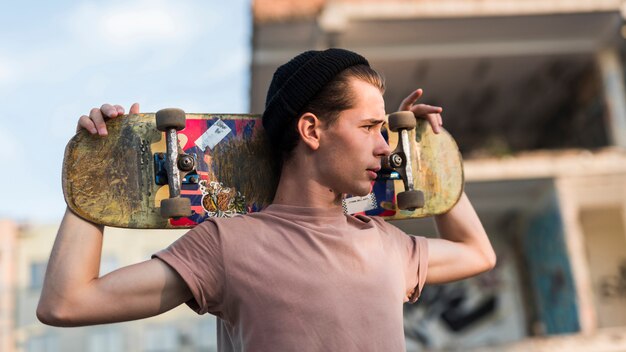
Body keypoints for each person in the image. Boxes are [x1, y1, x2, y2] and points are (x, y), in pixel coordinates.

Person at [38, 48, 495, 350]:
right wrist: (100, 170)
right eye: (368, 127)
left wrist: (428, 156)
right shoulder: (225, 246)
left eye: (384, 130)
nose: (384, 145)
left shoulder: (387, 245)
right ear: (312, 130)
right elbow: (66, 303)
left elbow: (479, 253)